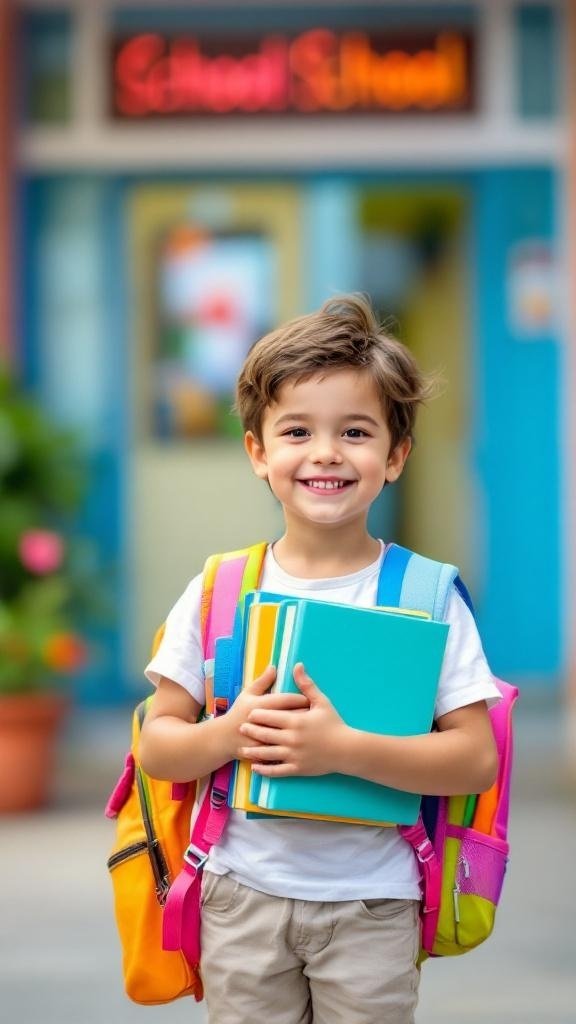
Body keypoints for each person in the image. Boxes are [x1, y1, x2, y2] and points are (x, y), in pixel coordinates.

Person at [140, 294, 500, 1024]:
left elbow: (475, 758)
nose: (327, 452)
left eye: (357, 432)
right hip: (240, 894)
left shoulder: (428, 596)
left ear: (395, 456)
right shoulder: (219, 589)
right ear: (258, 453)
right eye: (297, 430)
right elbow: (158, 746)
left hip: (375, 901)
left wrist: (341, 749)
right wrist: (229, 734)